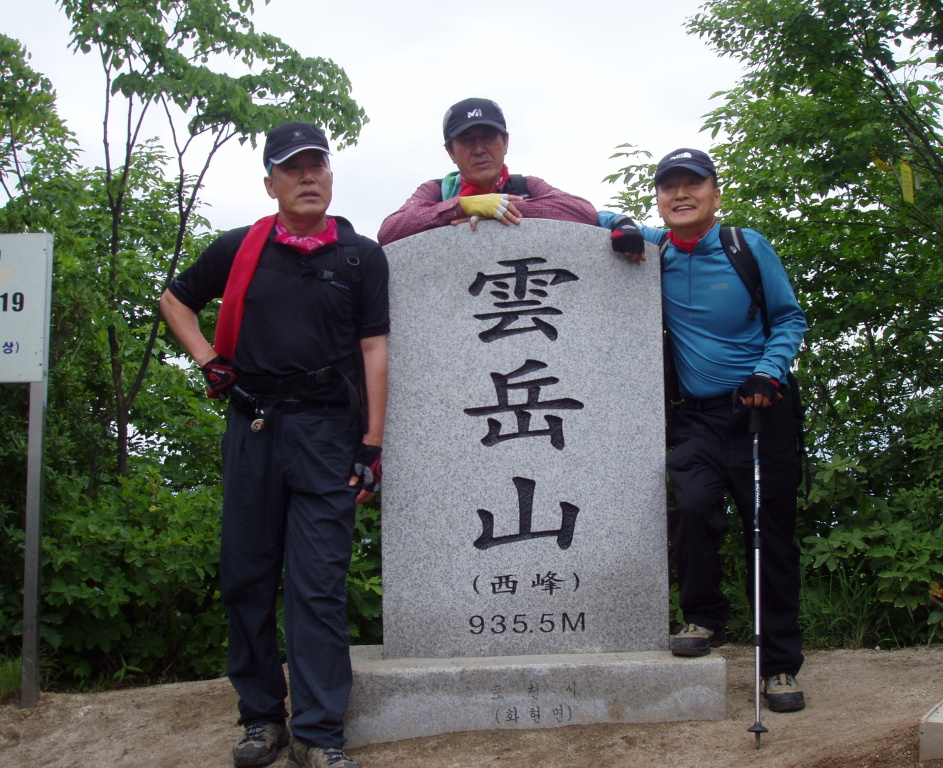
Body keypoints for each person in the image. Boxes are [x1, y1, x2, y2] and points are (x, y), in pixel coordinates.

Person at [160, 121, 389, 768]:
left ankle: (318, 733)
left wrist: (372, 445)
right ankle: (262, 718)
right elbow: (175, 300)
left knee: (317, 584)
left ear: (332, 177)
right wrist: (207, 358)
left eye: (318, 165)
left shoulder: (360, 257)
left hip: (326, 434)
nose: (308, 176)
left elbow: (375, 350)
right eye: (293, 168)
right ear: (271, 183)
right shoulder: (239, 249)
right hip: (253, 427)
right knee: (246, 577)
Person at [600, 148, 809, 713]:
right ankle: (704, 615)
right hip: (696, 416)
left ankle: (781, 667)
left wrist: (769, 369)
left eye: (694, 184)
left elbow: (790, 316)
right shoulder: (657, 248)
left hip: (762, 410)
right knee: (691, 507)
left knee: (770, 535)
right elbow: (585, 215)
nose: (681, 195)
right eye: (669, 187)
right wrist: (619, 226)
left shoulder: (746, 247)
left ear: (716, 193)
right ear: (659, 199)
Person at [377, 97, 609, 245]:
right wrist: (461, 207)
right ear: (450, 152)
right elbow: (390, 231)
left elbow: (584, 213)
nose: (479, 150)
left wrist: (499, 207)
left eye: (488, 138)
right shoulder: (436, 191)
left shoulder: (527, 186)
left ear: (505, 143)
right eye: (467, 141)